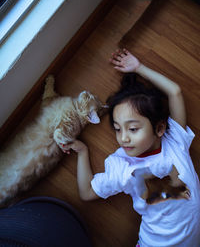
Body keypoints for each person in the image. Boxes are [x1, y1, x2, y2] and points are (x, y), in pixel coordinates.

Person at [61, 49, 200, 246]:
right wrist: (82, 151)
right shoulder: (122, 166)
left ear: (159, 128)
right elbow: (87, 192)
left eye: (133, 129)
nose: (123, 138)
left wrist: (138, 68)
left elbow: (174, 92)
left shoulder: (174, 141)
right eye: (118, 129)